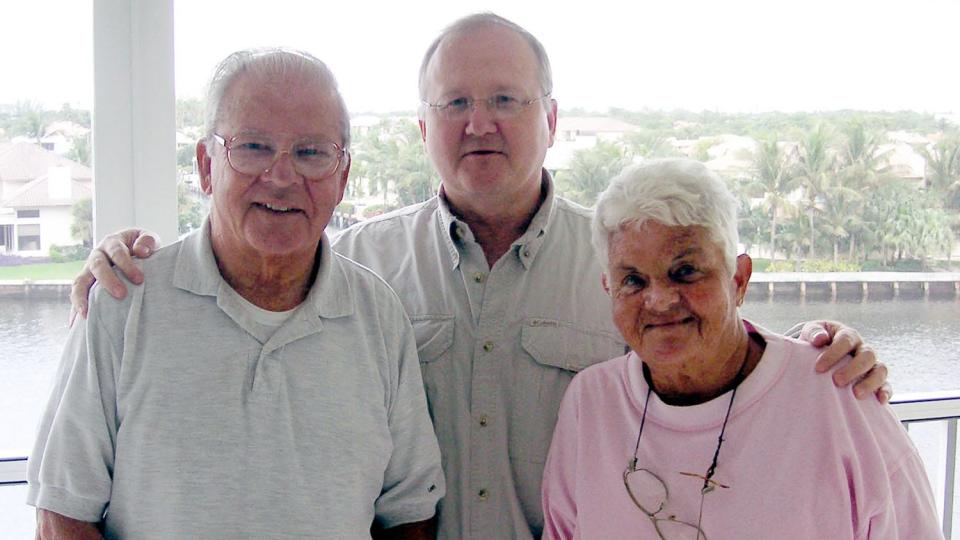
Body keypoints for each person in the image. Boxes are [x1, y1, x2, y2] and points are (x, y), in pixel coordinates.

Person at [68, 14, 890, 540]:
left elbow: (725, 358)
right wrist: (122, 270)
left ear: (552, 119)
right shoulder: (354, 272)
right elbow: (255, 257)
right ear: (422, 125)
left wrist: (840, 351)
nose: (480, 122)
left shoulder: (623, 273)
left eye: (506, 98)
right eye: (454, 102)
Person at [27, 48, 444, 539]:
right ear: (206, 166)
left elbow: (409, 514)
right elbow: (61, 517)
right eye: (253, 147)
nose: (283, 177)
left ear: (343, 177)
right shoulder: (123, 304)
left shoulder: (378, 317)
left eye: (312, 153)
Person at [541, 158, 941, 539]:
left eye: (685, 272)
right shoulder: (591, 402)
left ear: (739, 279)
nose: (659, 300)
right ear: (608, 289)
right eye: (633, 280)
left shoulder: (841, 393)